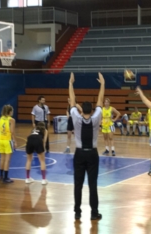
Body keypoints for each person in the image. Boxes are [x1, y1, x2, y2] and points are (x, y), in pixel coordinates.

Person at [69, 72, 104, 221]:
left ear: (81, 109)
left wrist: (71, 83)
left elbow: (72, 100)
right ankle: (94, 212)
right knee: (92, 184)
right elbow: (101, 100)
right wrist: (102, 84)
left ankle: (77, 212)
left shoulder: (76, 117)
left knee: (78, 184)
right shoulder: (96, 118)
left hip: (79, 153)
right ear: (93, 109)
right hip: (92, 154)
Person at [0, 105, 17, 183]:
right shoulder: (11, 120)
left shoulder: (0, 118)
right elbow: (12, 132)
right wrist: (15, 141)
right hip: (7, 140)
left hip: (0, 139)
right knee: (7, 160)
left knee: (2, 158)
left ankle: (1, 175)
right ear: (10, 112)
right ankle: (6, 178)